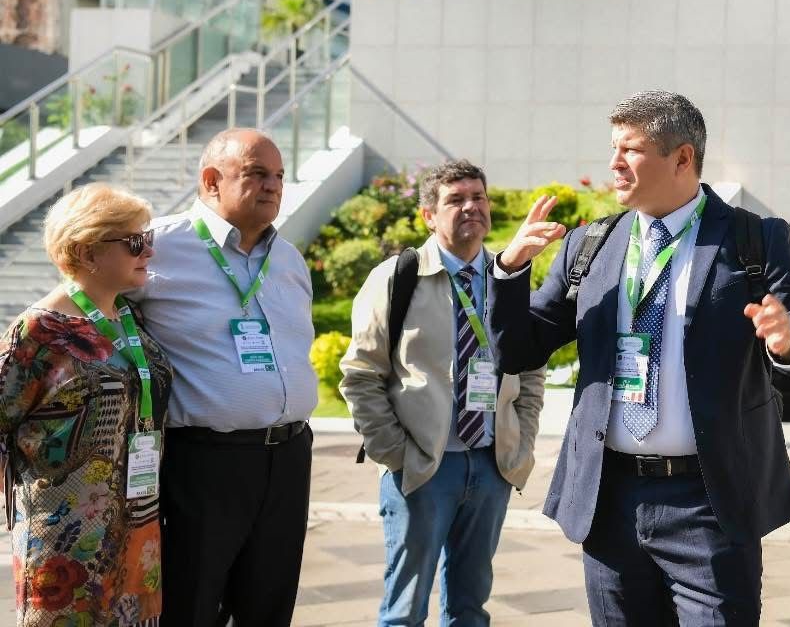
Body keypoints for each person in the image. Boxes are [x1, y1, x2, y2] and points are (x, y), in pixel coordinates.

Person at [487, 90, 790, 625]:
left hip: (709, 502)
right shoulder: (591, 245)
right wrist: (510, 269)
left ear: (682, 158)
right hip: (609, 499)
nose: (614, 163)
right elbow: (517, 348)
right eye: (613, 148)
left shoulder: (752, 240)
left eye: (630, 149)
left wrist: (788, 340)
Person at [341, 159, 545, 626]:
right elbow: (361, 374)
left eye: (479, 197)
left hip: (491, 467)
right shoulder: (396, 278)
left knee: (470, 608)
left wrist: (520, 441)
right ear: (428, 216)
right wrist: (396, 454)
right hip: (423, 469)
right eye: (456, 200)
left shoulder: (508, 277)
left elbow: (531, 368)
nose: (471, 206)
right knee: (405, 610)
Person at [127, 128, 317, 627]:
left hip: (289, 456)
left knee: (269, 605)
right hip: (204, 462)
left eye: (279, 175)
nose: (273, 185)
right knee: (191, 605)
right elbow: (87, 303)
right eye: (256, 173)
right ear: (211, 180)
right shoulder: (156, 247)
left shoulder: (289, 259)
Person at [0, 183, 173, 625]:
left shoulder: (129, 318)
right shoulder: (40, 332)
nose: (149, 252)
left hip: (138, 525)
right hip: (65, 540)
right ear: (87, 251)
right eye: (135, 241)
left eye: (148, 238)